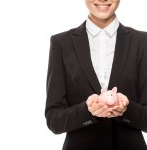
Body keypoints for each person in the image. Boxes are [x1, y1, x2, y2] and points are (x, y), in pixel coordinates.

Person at [45, 0, 147, 149]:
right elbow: (54, 120)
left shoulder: (143, 42)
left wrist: (127, 109)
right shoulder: (61, 43)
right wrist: (87, 111)